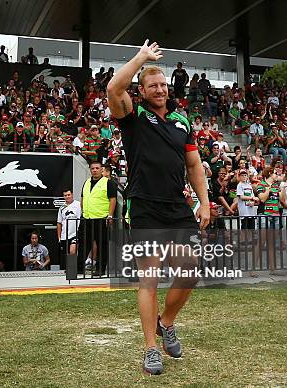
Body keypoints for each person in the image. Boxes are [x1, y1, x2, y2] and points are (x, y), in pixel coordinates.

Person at [107, 40, 210, 375]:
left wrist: (204, 202)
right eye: (153, 86)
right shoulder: (133, 115)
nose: (160, 90)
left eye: (163, 85)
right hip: (145, 207)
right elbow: (113, 87)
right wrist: (142, 58)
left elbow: (194, 167)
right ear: (142, 89)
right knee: (149, 279)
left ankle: (167, 322)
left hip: (178, 208)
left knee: (191, 269)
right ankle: (151, 349)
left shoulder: (182, 121)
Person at [78, 161, 117, 276]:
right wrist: (83, 212)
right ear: (90, 170)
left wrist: (110, 215)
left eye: (97, 168)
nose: (94, 170)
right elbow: (83, 198)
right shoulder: (86, 182)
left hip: (101, 218)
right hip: (87, 218)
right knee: (84, 244)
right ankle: (79, 268)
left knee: (102, 245)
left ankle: (100, 269)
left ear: (101, 170)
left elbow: (113, 199)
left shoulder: (108, 183)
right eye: (92, 168)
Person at [57, 189, 82, 269]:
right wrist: (59, 237)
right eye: (65, 195)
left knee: (72, 251)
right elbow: (59, 223)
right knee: (67, 254)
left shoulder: (78, 204)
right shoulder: (62, 208)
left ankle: (73, 270)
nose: (67, 197)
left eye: (68, 195)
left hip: (76, 234)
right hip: (64, 235)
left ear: (72, 195)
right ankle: (70, 269)